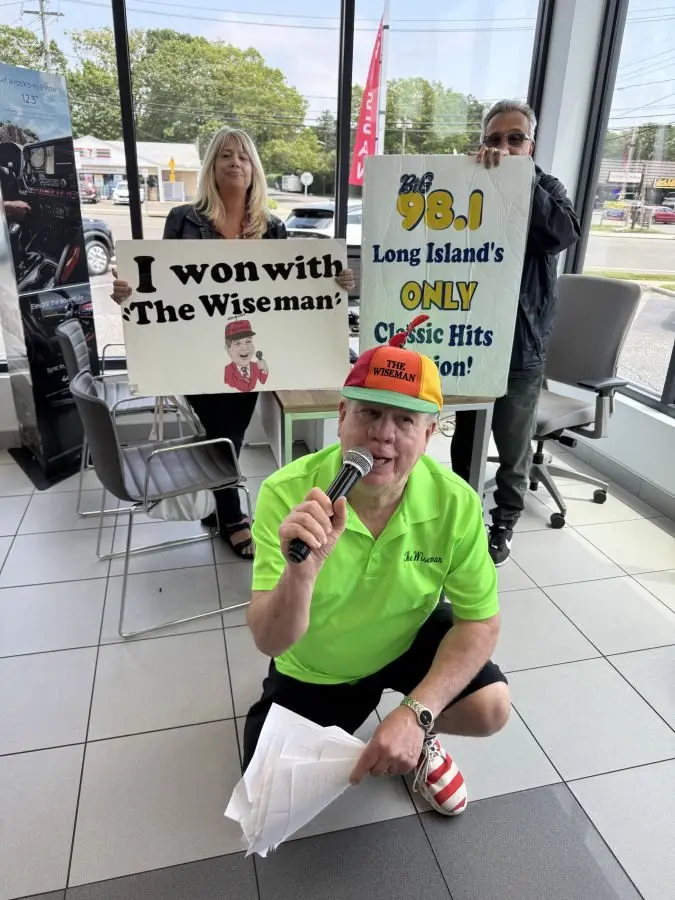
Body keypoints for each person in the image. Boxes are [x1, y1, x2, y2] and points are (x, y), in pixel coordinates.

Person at [243, 317, 509, 816]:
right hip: (320, 664)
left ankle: (416, 738)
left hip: (406, 636)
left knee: (491, 707)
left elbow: (481, 622)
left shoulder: (455, 503)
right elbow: (270, 641)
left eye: (405, 421)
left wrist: (417, 713)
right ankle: (377, 729)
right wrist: (302, 572)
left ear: (429, 432)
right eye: (369, 413)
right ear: (342, 415)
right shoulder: (287, 493)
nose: (382, 436)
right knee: (264, 791)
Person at [111, 127, 355, 558]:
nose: (235, 162)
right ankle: (232, 516)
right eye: (225, 155)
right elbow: (160, 282)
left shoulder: (272, 227)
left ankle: (218, 505)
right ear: (212, 166)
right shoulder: (183, 219)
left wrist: (332, 284)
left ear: (254, 168)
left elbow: (288, 290)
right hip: (195, 349)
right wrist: (130, 292)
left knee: (230, 432)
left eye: (243, 156)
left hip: (248, 347)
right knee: (221, 431)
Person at [451, 100, 581, 567]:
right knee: (466, 438)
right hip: (469, 335)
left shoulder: (546, 186)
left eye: (514, 138)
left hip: (520, 345)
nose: (503, 147)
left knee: (512, 444)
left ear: (531, 144)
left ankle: (504, 522)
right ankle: (462, 517)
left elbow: (562, 235)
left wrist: (521, 178)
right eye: (494, 139)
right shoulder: (467, 181)